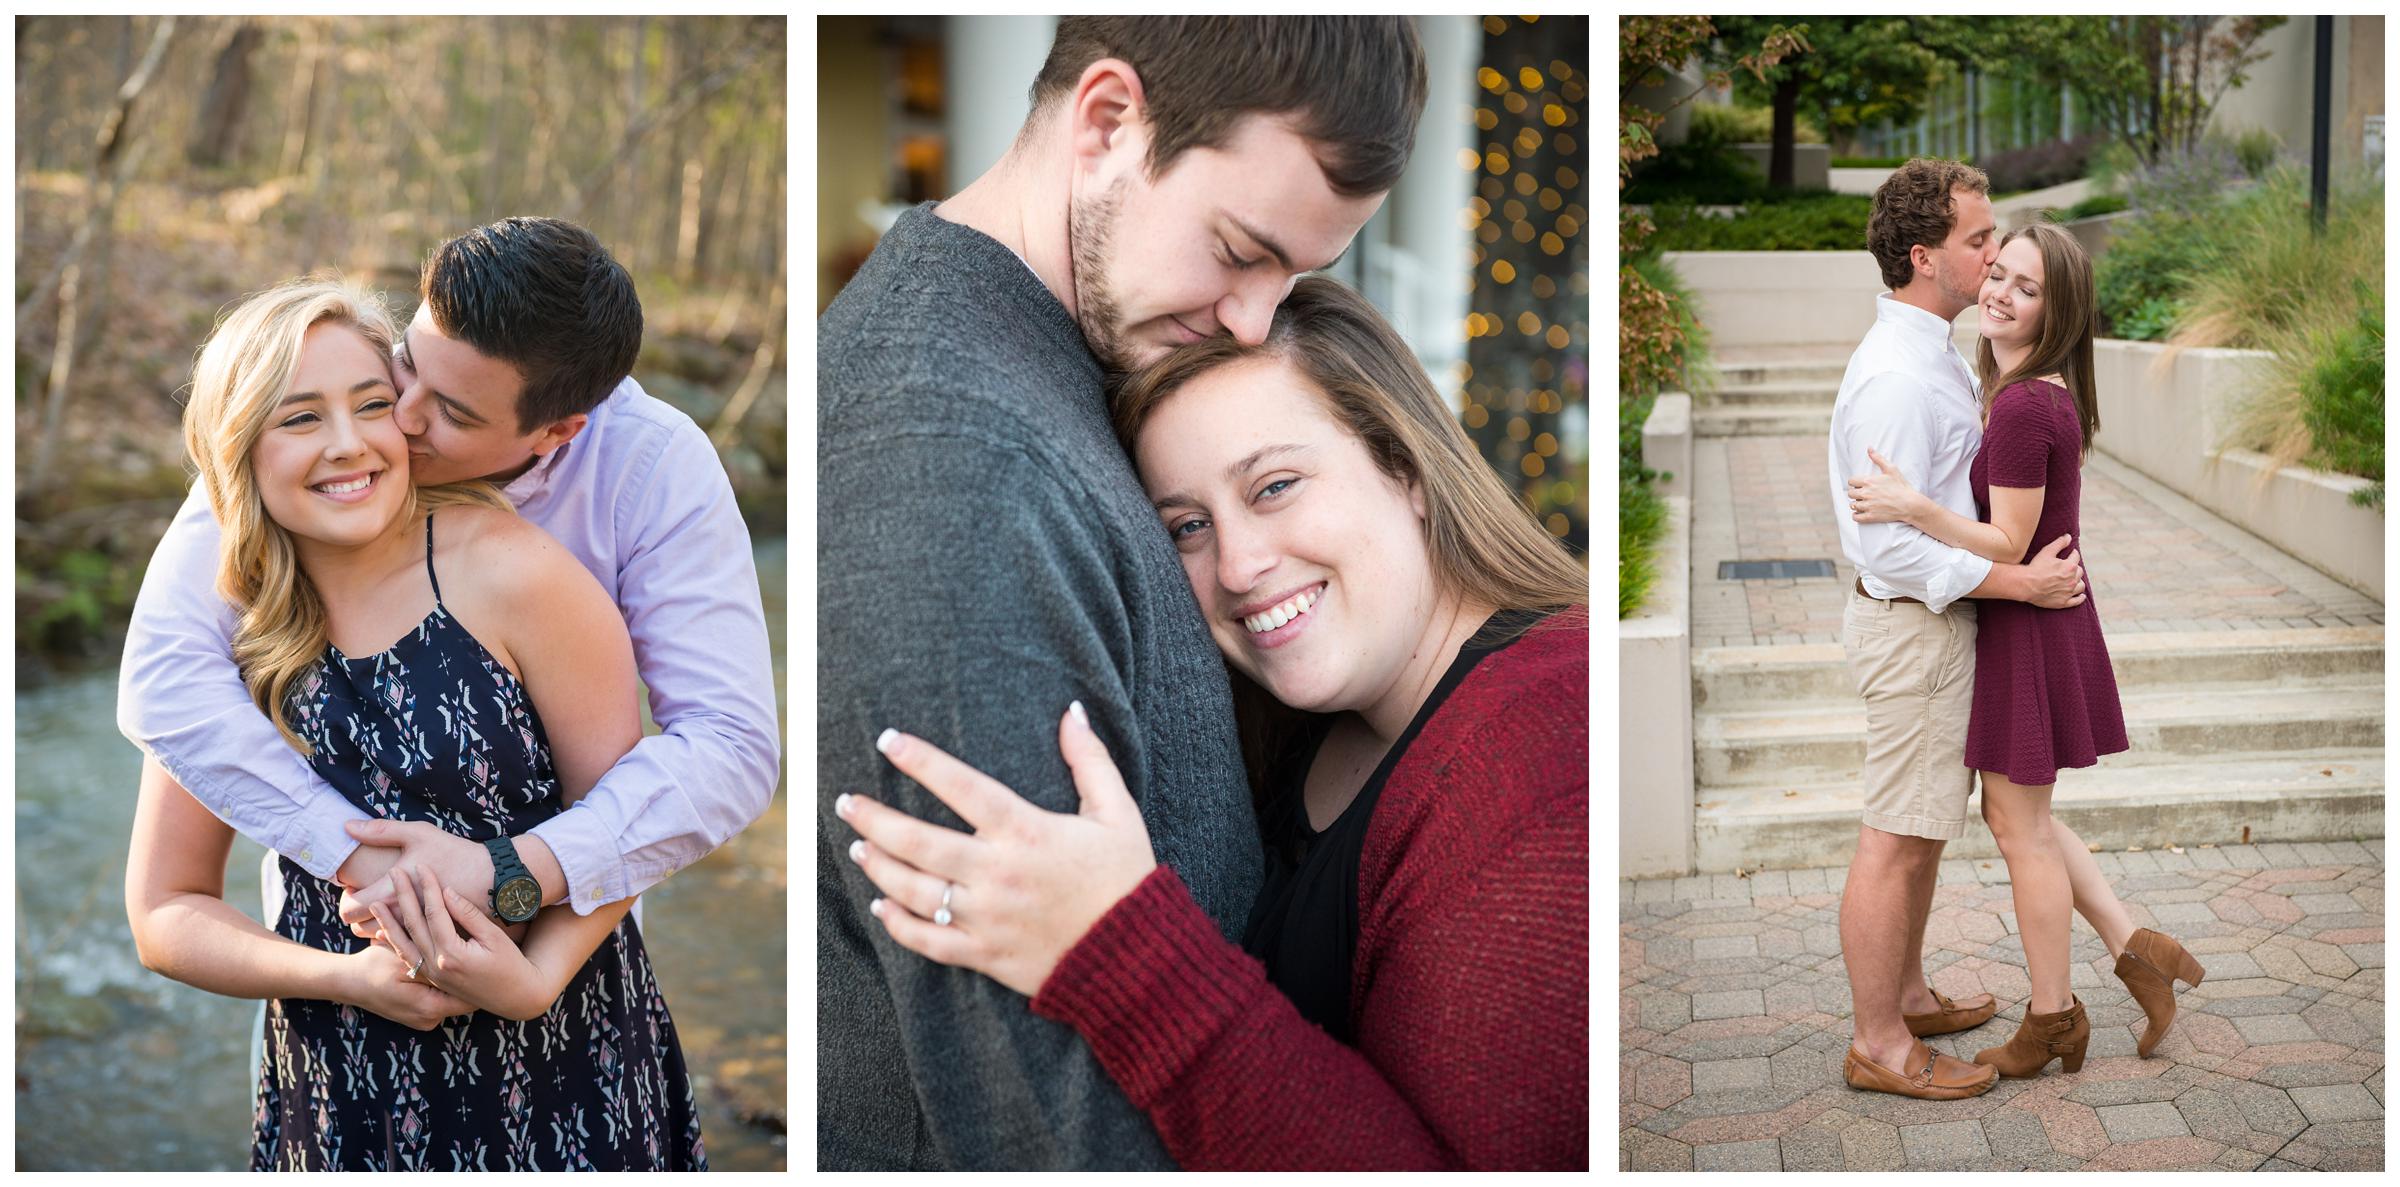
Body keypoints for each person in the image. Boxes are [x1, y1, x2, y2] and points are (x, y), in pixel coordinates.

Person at [816, 18, 1426, 1170]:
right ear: (1106, 121)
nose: (1255, 319)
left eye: (1293, 276)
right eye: (1241, 248)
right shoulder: (958, 460)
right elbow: (1028, 1092)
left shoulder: (1056, 370)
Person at [837, 277, 1587, 1170]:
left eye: (1274, 486)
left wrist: (1121, 950)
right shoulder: (1300, 725)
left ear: (1406, 468)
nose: (1237, 565)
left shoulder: (1548, 741)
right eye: (1187, 527)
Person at [125, 279, 702, 1169]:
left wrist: (530, 981)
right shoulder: (229, 637)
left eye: (371, 405)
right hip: (339, 1079)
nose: (349, 444)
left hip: (558, 1057)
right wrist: (346, 980)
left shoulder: (522, 575)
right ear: (236, 449)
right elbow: (166, 912)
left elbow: (627, 818)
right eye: (300, 419)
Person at [117, 217, 777, 987]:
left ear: (559, 431)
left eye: (453, 414)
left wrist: (509, 880)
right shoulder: (308, 456)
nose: (397, 418)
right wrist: (363, 862)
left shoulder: (645, 471)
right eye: (406, 368)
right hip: (339, 989)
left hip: (559, 968)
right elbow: (165, 679)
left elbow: (729, 746)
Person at [1845, 220, 2202, 1078]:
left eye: (2026, 286)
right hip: (2030, 622)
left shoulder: (2022, 403)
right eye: (1998, 271)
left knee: (2021, 832)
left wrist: (1911, 506)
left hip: (2027, 625)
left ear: (2060, 309)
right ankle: (2135, 948)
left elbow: (2007, 541)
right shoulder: (2018, 390)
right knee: (2026, 820)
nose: (2000, 291)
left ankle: (2052, 1020)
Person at [1823, 158, 2094, 1101]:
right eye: (1980, 242)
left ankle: (1906, 994)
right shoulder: (1899, 374)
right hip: (1914, 624)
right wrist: (2015, 582)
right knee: (1894, 837)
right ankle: (1881, 1043)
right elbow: (1888, 548)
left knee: (1924, 831)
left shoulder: (1938, 344)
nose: (1993, 258)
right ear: (1922, 255)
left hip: (1939, 623)